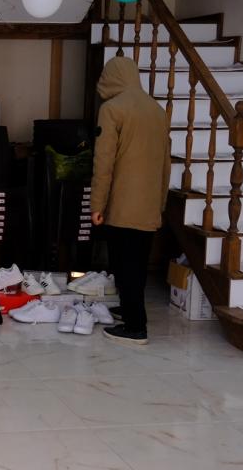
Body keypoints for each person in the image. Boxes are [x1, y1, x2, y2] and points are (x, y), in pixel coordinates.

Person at [91, 57, 170, 345]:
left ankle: (136, 327)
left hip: (123, 204)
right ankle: (128, 309)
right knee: (137, 263)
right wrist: (160, 203)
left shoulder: (112, 109)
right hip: (148, 204)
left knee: (125, 265)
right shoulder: (157, 110)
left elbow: (104, 162)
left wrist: (97, 205)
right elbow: (166, 164)